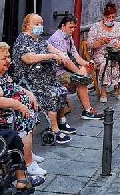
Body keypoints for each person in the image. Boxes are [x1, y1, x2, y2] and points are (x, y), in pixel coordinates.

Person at [0, 42, 46, 177]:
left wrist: (29, 94)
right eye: (4, 58)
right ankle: (28, 164)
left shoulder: (1, 74)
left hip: (13, 111)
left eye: (8, 57)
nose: (8, 61)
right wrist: (18, 105)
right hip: (1, 116)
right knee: (24, 122)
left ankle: (27, 153)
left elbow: (13, 87)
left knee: (29, 117)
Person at [11, 13, 73, 144]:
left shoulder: (38, 40)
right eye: (37, 24)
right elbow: (28, 58)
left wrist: (61, 55)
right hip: (29, 81)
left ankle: (61, 121)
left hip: (44, 79)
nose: (40, 26)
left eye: (41, 24)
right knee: (52, 94)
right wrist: (49, 56)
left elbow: (51, 48)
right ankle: (54, 129)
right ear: (27, 26)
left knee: (62, 90)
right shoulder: (23, 39)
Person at [47, 15, 103, 120]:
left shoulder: (68, 37)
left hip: (66, 69)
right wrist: (79, 73)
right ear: (63, 26)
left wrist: (87, 63)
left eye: (74, 27)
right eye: (70, 27)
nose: (73, 30)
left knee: (84, 71)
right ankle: (87, 110)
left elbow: (76, 56)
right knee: (80, 79)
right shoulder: (57, 38)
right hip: (56, 72)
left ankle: (86, 107)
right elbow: (66, 62)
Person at [88, 2, 120, 102]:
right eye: (108, 17)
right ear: (103, 17)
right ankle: (103, 91)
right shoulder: (96, 27)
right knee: (105, 63)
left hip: (117, 52)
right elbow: (90, 44)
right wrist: (101, 41)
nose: (111, 19)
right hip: (101, 53)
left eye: (113, 17)